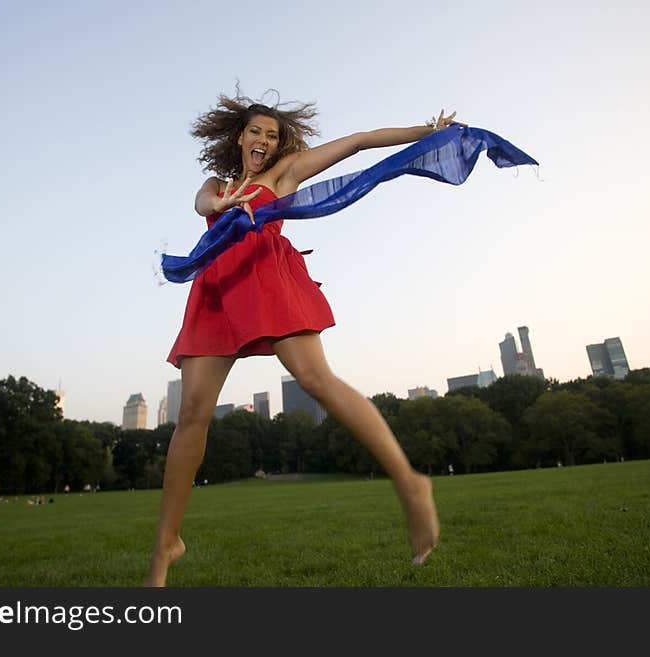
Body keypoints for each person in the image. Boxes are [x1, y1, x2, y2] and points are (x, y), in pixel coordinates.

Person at [147, 91, 463, 587]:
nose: (264, 141)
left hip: (267, 276)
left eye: (272, 136)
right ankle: (166, 545)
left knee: (316, 379)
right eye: (256, 132)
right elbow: (202, 202)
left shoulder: (284, 174)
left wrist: (426, 132)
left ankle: (410, 482)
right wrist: (221, 202)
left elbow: (358, 143)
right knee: (190, 415)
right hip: (218, 289)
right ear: (240, 136)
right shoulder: (217, 182)